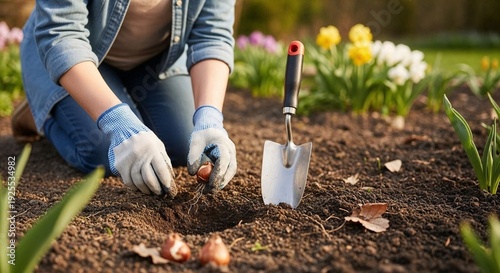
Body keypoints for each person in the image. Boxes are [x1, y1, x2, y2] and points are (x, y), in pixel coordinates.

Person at [12, 0, 238, 197]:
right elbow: (62, 34)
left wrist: (209, 117)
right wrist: (119, 122)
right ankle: (41, 113)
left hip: (152, 65)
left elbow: (212, 36)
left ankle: (124, 99)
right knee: (103, 153)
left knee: (183, 146)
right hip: (75, 57)